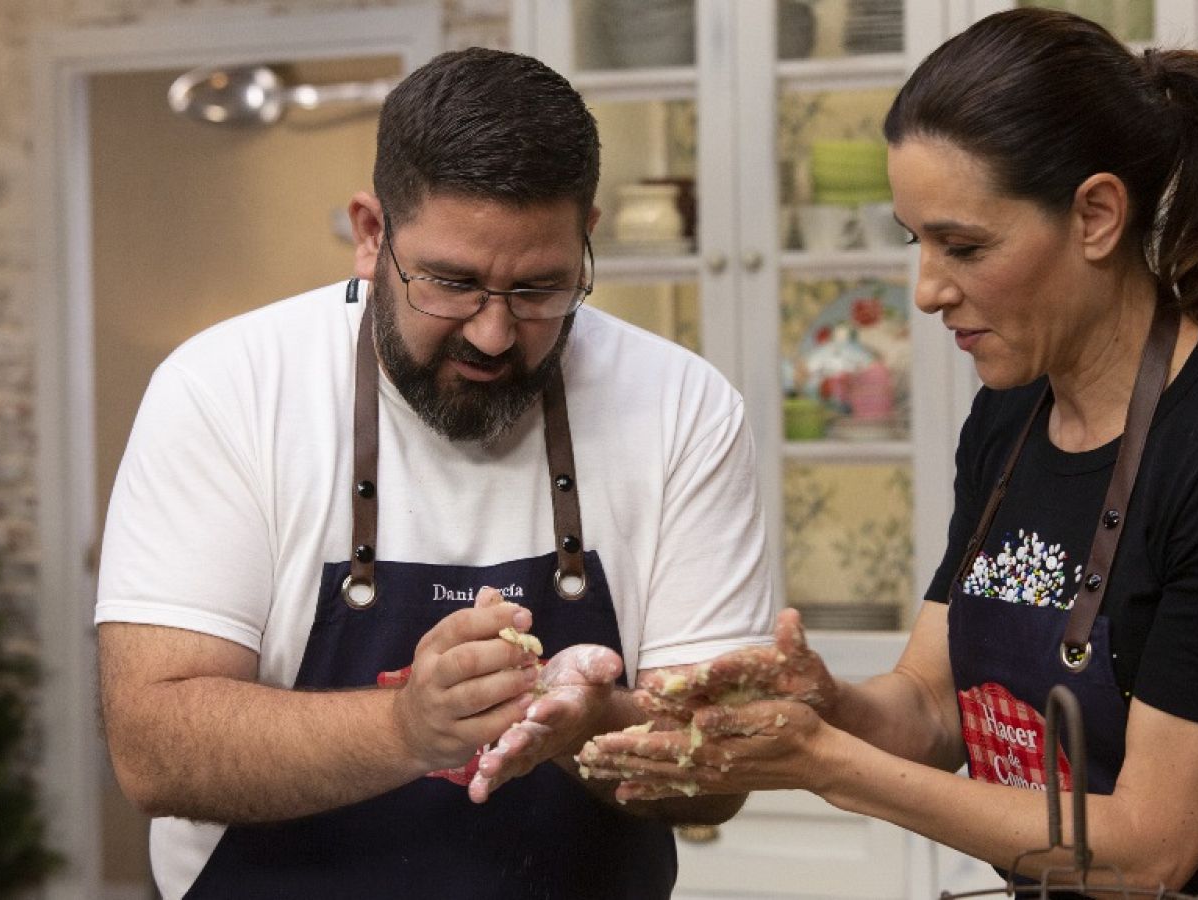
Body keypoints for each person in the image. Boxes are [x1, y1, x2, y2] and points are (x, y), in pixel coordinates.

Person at [578, 9, 1198, 898]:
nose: (926, 291)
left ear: (1097, 214)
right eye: (918, 241)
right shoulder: (1009, 419)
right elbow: (932, 704)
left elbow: (1150, 849)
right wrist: (823, 706)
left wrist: (828, 764)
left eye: (964, 245)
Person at [94, 47, 774, 899]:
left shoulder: (683, 406)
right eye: (450, 284)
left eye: (539, 288)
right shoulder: (226, 389)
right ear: (371, 234)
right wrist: (408, 727)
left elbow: (721, 769)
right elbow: (155, 747)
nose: (492, 334)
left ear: (586, 239)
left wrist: (593, 726)